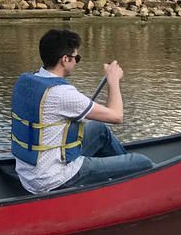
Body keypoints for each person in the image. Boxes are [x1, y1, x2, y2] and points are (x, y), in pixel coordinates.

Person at [11, 29, 153, 194]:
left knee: (99, 129)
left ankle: (122, 178)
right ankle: (136, 179)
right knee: (143, 162)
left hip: (29, 173)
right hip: (53, 178)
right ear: (65, 59)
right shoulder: (62, 93)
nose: (77, 62)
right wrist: (113, 80)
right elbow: (117, 116)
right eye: (76, 58)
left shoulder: (26, 80)